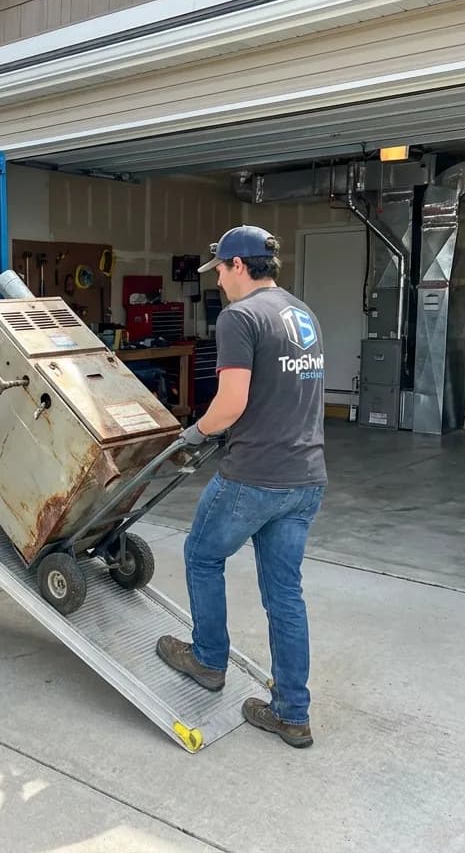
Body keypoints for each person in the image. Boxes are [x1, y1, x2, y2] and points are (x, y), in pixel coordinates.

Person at [155, 225, 327, 749]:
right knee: (285, 595)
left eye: (221, 272)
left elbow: (230, 404)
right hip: (306, 478)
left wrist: (194, 432)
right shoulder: (302, 313)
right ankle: (292, 714)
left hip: (255, 476)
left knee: (202, 556)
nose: (219, 283)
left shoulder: (240, 317)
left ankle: (208, 660)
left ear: (235, 266)